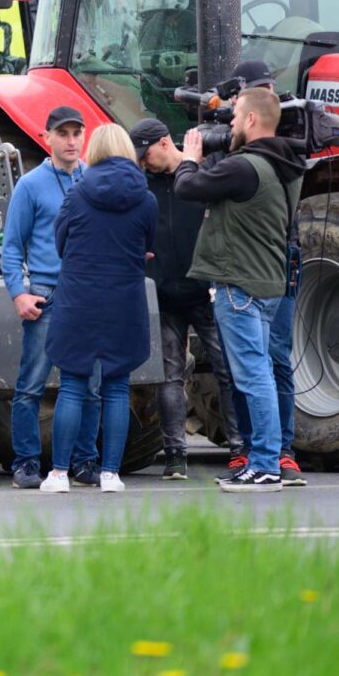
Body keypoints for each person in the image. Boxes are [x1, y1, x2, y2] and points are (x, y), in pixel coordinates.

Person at [175, 86, 305, 492]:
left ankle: (264, 463)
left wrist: (188, 160)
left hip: (240, 286)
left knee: (253, 377)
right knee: (262, 372)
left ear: (251, 120)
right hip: (267, 284)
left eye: (234, 118)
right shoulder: (283, 165)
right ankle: (263, 458)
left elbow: (187, 189)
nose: (229, 124)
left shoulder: (244, 166)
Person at [40, 124, 157, 494]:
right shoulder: (146, 198)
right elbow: (146, 245)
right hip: (124, 299)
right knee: (117, 386)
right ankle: (110, 474)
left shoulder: (77, 194)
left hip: (79, 299)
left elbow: (61, 242)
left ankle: (59, 474)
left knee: (73, 384)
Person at [129, 117, 243, 481]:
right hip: (164, 293)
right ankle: (175, 455)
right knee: (169, 377)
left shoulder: (202, 174)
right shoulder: (140, 184)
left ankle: (241, 449)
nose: (143, 163)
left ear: (165, 143)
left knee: (228, 371)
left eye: (145, 155)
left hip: (206, 290)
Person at [1, 106, 103, 490]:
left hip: (88, 297)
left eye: (78, 132)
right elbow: (12, 247)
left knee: (91, 385)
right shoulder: (30, 185)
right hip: (45, 295)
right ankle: (26, 462)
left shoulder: (93, 180)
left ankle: (83, 460)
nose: (72, 140)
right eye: (63, 133)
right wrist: (18, 294)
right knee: (31, 384)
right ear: (47, 138)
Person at [228, 59, 306, 488]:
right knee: (253, 360)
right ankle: (255, 449)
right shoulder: (246, 146)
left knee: (269, 359)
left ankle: (278, 452)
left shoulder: (283, 140)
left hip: (278, 257)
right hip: (265, 258)